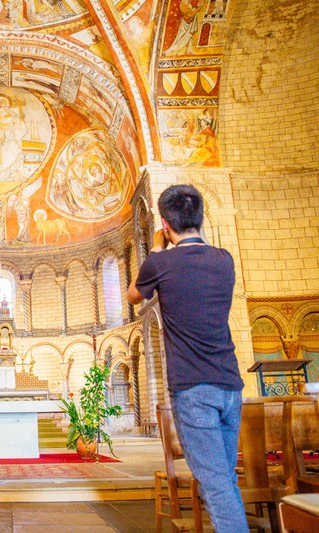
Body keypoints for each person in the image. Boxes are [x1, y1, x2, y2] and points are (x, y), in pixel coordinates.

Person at [127, 184, 247, 532]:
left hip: (193, 388)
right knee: (225, 480)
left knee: (216, 486)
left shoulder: (160, 262)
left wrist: (154, 248)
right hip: (230, 386)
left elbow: (135, 295)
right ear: (201, 218)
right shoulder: (223, 259)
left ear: (164, 224)